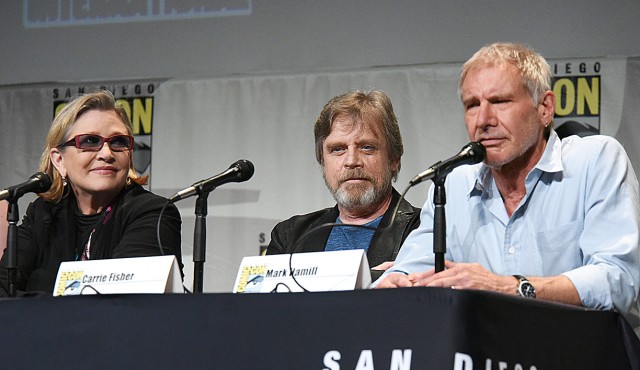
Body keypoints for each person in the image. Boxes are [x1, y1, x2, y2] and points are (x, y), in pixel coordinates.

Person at [376, 42, 640, 331]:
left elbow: (619, 278)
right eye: (472, 105)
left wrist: (511, 287)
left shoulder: (595, 161)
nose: (484, 120)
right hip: (488, 365)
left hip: (580, 361)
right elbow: (413, 264)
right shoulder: (454, 182)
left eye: (500, 101)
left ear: (545, 108)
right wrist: (397, 282)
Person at [0, 90, 183, 296]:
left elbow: (123, 299)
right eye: (89, 141)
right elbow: (4, 288)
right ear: (59, 160)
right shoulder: (42, 213)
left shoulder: (153, 213)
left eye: (119, 142)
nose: (106, 153)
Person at [266, 90, 421, 280]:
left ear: (393, 159)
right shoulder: (290, 236)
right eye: (338, 149)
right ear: (322, 161)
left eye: (367, 147)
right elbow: (266, 307)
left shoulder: (425, 229)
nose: (352, 160)